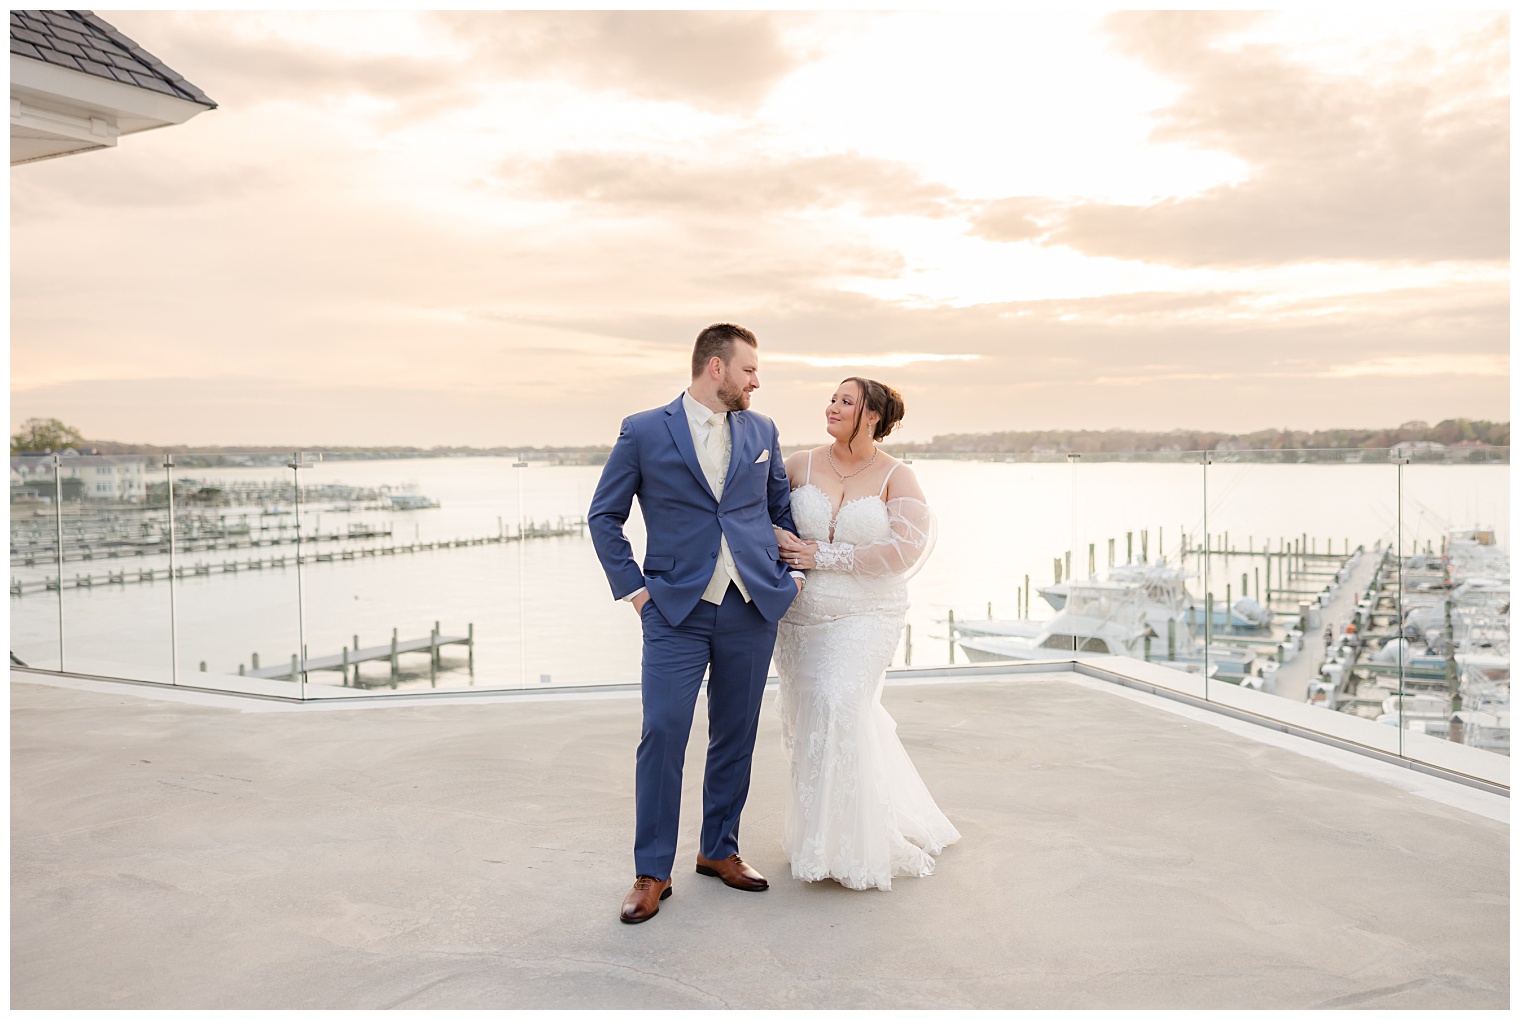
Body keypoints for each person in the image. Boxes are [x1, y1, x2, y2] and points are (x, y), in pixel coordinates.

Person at [589, 323, 804, 924]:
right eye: (749, 369)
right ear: (716, 368)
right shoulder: (643, 430)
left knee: (735, 731)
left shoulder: (762, 430)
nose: (756, 381)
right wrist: (635, 592)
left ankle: (719, 849)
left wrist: (791, 577)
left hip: (750, 606)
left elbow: (777, 507)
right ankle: (652, 870)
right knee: (662, 730)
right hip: (673, 610)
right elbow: (604, 515)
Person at [773, 378, 960, 891]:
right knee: (816, 719)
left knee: (841, 703)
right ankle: (820, 841)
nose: (832, 407)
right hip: (801, 620)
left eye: (846, 401)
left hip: (867, 614)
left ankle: (860, 846)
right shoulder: (799, 465)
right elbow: (755, 514)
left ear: (872, 417)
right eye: (832, 398)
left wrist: (822, 554)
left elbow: (903, 550)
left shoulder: (897, 477)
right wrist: (777, 536)